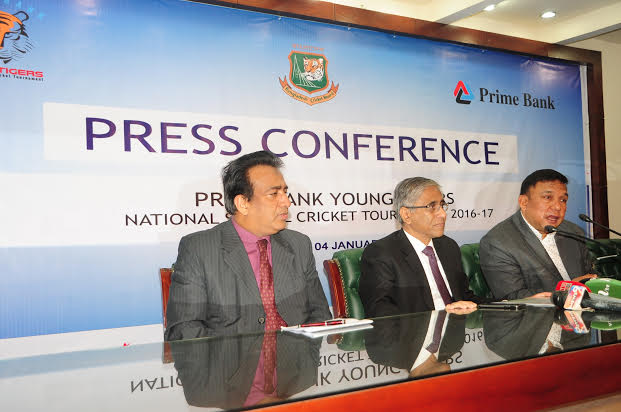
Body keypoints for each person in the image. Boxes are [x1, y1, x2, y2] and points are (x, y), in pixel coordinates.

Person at [165, 150, 331, 341]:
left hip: (294, 365)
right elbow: (184, 330)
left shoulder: (299, 244)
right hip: (230, 367)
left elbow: (320, 316)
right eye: (274, 194)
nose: (287, 201)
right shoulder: (199, 249)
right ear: (243, 203)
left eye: (285, 192)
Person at [359, 177, 481, 317]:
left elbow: (464, 297)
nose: (443, 214)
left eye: (442, 205)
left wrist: (504, 305)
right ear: (406, 215)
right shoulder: (381, 254)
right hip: (414, 336)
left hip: (453, 333)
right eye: (432, 207)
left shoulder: (448, 246)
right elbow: (382, 313)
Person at [479, 169, 595, 300]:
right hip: (537, 318)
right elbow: (513, 297)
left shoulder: (573, 232)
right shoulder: (498, 242)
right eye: (547, 197)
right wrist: (570, 289)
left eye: (563, 200)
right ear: (524, 202)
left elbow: (590, 278)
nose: (558, 206)